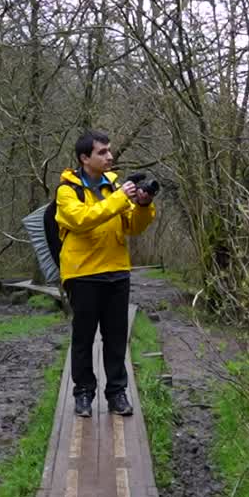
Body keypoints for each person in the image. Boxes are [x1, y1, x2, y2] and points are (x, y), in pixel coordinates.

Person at [55, 129, 157, 417]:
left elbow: (133, 227)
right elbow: (81, 220)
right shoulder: (67, 191)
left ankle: (117, 393)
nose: (110, 156)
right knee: (83, 338)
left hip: (117, 271)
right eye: (102, 152)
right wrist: (120, 198)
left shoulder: (114, 187)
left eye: (110, 150)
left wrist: (143, 205)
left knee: (116, 338)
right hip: (83, 274)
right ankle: (83, 393)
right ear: (84, 158)